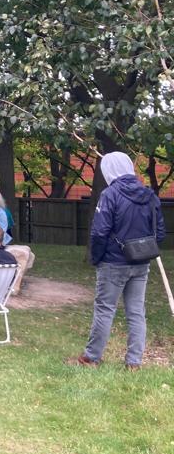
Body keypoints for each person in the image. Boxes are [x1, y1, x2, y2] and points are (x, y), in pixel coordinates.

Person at [68, 152, 165, 371]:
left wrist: (98, 257)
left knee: (105, 309)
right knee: (136, 311)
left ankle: (91, 358)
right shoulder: (149, 194)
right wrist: (145, 248)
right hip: (141, 263)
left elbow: (99, 232)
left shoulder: (110, 194)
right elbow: (159, 232)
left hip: (113, 262)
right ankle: (134, 363)